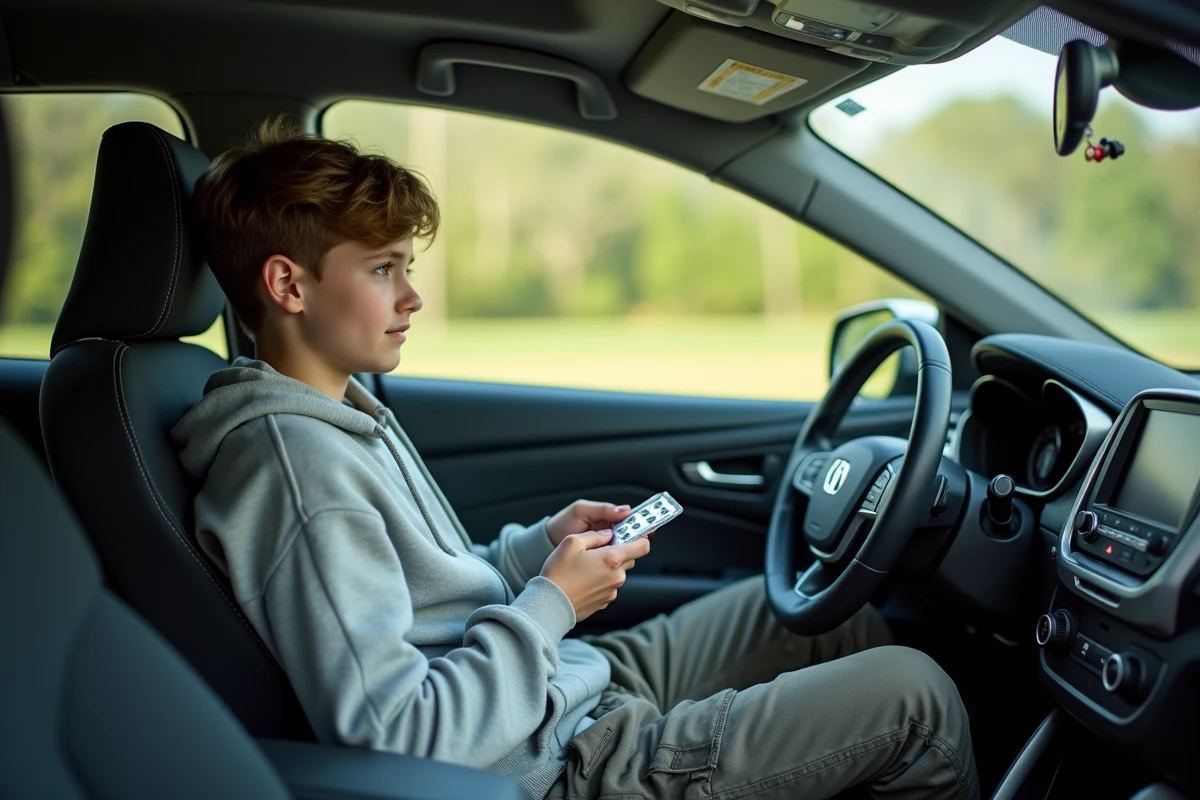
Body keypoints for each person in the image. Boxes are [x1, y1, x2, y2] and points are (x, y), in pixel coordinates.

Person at [172, 118, 980, 800]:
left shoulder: (341, 410)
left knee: (812, 619)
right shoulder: (295, 468)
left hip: (560, 685)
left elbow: (423, 596)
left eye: (406, 268)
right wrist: (552, 603)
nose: (411, 297)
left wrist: (537, 554)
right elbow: (399, 735)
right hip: (560, 766)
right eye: (383, 270)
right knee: (917, 697)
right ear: (289, 285)